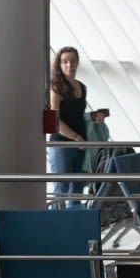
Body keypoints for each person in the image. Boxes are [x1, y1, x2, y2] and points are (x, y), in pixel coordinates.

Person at [48, 46, 106, 206]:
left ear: (78, 63)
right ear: (59, 64)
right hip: (62, 144)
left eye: (73, 61)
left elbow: (77, 115)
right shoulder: (55, 87)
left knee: (77, 189)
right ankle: (54, 226)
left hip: (81, 144)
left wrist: (95, 116)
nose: (69, 65)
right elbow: (53, 121)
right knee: (61, 188)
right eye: (65, 62)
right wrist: (76, 138)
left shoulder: (82, 87)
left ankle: (73, 226)